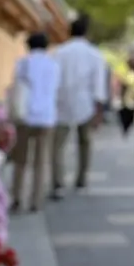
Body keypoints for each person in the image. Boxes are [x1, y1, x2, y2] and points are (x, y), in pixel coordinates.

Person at [51, 14, 110, 198]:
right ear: (86, 32)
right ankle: (81, 179)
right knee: (85, 142)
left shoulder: (59, 53)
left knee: (57, 146)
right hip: (86, 103)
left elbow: (53, 80)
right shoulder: (94, 54)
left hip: (61, 101)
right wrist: (99, 108)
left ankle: (58, 182)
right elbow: (98, 83)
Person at [10, 32, 60, 213]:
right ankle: (35, 201)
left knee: (21, 160)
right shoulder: (54, 65)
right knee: (40, 161)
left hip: (25, 116)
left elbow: (16, 89)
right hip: (46, 117)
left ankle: (17, 198)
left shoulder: (23, 63)